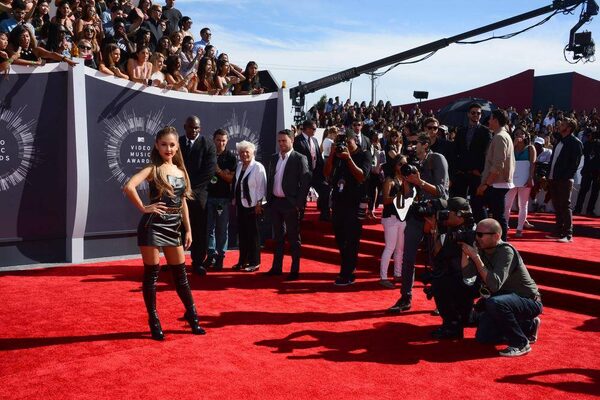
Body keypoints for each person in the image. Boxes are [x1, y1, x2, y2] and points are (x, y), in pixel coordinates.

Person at [123, 126, 206, 341]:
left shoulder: (180, 171)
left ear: (177, 147)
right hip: (152, 226)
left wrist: (188, 229)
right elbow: (129, 186)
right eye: (163, 144)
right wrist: (144, 208)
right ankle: (154, 320)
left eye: (171, 145)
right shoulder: (153, 168)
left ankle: (192, 316)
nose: (168, 149)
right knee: (152, 275)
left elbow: (183, 203)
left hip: (174, 226)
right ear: (156, 146)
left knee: (181, 276)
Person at [461, 218, 542, 357]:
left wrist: (475, 257)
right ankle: (527, 325)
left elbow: (494, 284)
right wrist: (465, 252)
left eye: (481, 234)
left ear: (496, 236)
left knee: (495, 303)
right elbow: (467, 274)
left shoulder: (506, 251)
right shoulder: (482, 250)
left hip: (528, 300)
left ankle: (520, 343)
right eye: (476, 234)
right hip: (503, 298)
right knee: (483, 338)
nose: (477, 238)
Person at [388, 132, 449, 312]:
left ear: (425, 144)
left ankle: (441, 301)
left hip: (435, 215)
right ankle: (405, 297)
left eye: (415, 144)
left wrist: (419, 181)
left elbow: (442, 192)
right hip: (416, 213)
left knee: (437, 259)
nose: (412, 147)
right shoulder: (413, 164)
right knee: (408, 258)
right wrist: (407, 183)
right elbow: (406, 197)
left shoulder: (437, 159)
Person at [324, 129, 372, 286]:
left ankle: (347, 272)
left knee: (352, 239)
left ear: (355, 140)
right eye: (341, 142)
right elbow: (326, 174)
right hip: (338, 202)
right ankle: (348, 267)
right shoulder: (338, 156)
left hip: (355, 203)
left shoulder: (364, 155)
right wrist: (332, 154)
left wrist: (349, 159)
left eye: (347, 142)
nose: (344, 145)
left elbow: (362, 176)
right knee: (340, 238)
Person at [265, 129, 311, 280]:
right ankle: (276, 268)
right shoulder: (274, 158)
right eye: (279, 141)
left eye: (284, 140)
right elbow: (271, 180)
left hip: (291, 204)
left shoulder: (300, 158)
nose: (281, 143)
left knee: (293, 238)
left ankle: (294, 270)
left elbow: (305, 183)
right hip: (275, 202)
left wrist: (299, 204)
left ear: (292, 140)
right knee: (278, 237)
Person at [429, 197, 477, 339]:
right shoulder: (452, 229)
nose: (445, 215)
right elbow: (437, 254)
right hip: (457, 275)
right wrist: (436, 230)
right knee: (440, 280)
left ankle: (453, 326)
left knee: (441, 284)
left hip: (468, 280)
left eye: (448, 212)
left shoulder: (469, 232)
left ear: (459, 215)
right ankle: (455, 321)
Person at [179, 115, 217, 275]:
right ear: (185, 127)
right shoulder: (178, 143)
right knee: (177, 229)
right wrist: (180, 189)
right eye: (191, 127)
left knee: (199, 229)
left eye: (197, 128)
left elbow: (209, 171)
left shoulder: (208, 144)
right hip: (178, 193)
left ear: (200, 128)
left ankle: (198, 262)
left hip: (199, 195)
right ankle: (177, 262)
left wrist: (190, 190)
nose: (194, 130)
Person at [474, 109, 515, 242]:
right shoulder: (501, 135)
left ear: (496, 121)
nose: (488, 122)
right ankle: (492, 239)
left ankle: (500, 242)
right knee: (495, 213)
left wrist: (485, 184)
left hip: (496, 183)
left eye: (490, 119)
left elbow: (498, 164)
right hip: (497, 182)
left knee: (496, 214)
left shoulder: (500, 137)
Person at [546, 118, 584, 242]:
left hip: (564, 179)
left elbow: (575, 164)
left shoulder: (575, 142)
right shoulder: (559, 141)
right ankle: (558, 231)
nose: (559, 126)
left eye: (563, 125)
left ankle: (568, 234)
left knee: (565, 205)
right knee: (557, 205)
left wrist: (566, 176)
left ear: (569, 128)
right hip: (553, 178)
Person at [452, 103, 492, 221]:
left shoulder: (485, 131)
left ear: (481, 115)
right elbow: (455, 151)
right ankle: (460, 227)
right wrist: (457, 170)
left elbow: (487, 154)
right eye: (473, 113)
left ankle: (482, 227)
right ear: (468, 114)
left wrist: (480, 171)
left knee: (478, 204)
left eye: (478, 113)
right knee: (459, 203)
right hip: (462, 173)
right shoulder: (461, 131)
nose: (476, 115)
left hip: (477, 174)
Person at [231, 140, 267, 272]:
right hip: (241, 205)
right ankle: (243, 261)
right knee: (242, 234)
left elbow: (262, 187)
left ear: (253, 153)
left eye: (247, 152)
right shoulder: (239, 166)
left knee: (253, 235)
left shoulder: (258, 167)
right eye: (241, 152)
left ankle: (254, 262)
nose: (244, 154)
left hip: (254, 206)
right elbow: (237, 183)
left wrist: (259, 204)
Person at [204, 129, 236, 271]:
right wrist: (224, 173)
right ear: (214, 140)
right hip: (208, 198)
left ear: (227, 141)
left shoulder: (230, 157)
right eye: (218, 140)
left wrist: (218, 171)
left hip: (222, 200)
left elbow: (230, 179)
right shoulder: (208, 155)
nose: (221, 143)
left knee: (222, 228)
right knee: (209, 228)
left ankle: (220, 257)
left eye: (223, 140)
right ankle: (211, 255)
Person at [378, 155, 412, 288]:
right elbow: (385, 200)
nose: (403, 166)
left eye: (405, 164)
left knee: (400, 249)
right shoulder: (389, 180)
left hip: (402, 217)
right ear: (395, 166)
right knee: (390, 247)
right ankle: (383, 277)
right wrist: (397, 197)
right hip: (390, 217)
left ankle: (397, 274)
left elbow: (409, 196)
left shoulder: (405, 179)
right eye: (400, 164)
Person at [293, 120, 330, 221]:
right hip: (303, 175)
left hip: (316, 174)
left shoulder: (314, 140)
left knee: (325, 189)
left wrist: (324, 173)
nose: (315, 130)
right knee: (302, 196)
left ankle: (325, 214)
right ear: (307, 129)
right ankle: (299, 217)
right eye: (314, 129)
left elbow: (318, 157)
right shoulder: (297, 141)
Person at [504, 127, 536, 238]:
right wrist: (513, 144)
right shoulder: (511, 147)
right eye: (516, 133)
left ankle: (519, 229)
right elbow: (506, 158)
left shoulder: (531, 148)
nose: (519, 135)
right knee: (507, 204)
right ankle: (505, 226)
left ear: (526, 135)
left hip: (525, 180)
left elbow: (533, 164)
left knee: (523, 204)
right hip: (511, 179)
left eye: (521, 133)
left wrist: (530, 178)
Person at [573, 130, 600, 217]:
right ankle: (578, 209)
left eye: (589, 136)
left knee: (595, 192)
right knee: (583, 190)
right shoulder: (586, 144)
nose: (587, 137)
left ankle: (590, 210)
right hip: (587, 170)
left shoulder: (598, 144)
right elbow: (581, 154)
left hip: (597, 171)